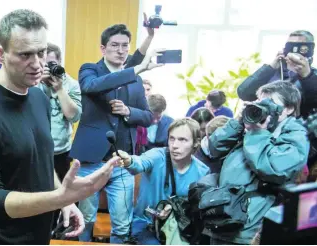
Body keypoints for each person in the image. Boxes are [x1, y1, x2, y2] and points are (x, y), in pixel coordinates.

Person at [0, 9, 120, 245]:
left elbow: (41, 160)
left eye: (41, 52)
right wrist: (58, 198)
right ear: (0, 53)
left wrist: (65, 201)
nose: (37, 64)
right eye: (25, 55)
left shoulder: (38, 97)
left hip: (40, 235)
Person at [69, 23, 164, 243]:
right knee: (85, 220)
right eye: (114, 45)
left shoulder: (135, 79)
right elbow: (92, 87)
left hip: (122, 161)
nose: (120, 50)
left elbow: (148, 116)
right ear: (103, 48)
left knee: (122, 225)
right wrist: (136, 68)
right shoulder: (89, 70)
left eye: (125, 46)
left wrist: (129, 111)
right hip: (90, 160)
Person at [207, 81, 310, 244]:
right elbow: (214, 147)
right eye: (261, 103)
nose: (264, 109)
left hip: (250, 229)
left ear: (289, 109)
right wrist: (238, 121)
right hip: (223, 219)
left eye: (271, 104)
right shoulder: (253, 125)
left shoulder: (295, 134)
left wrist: (256, 132)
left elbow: (274, 168)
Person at [116, 118, 210, 244]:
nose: (175, 145)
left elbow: (198, 210)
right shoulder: (157, 156)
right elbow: (139, 163)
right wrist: (129, 161)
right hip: (147, 224)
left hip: (179, 227)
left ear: (195, 143)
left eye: (182, 140)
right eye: (172, 138)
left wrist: (175, 211)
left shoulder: (202, 171)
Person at [237, 30, 317, 119]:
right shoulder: (271, 72)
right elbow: (244, 93)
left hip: (299, 129)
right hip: (267, 125)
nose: (294, 52)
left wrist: (307, 76)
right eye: (290, 46)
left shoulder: (313, 76)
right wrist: (270, 68)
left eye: (301, 48)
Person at [39, 43, 82, 182]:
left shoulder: (71, 84)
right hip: (36, 151)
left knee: (61, 195)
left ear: (59, 62)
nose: (48, 68)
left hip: (61, 152)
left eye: (51, 64)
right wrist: (37, 81)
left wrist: (60, 89)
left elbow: (73, 116)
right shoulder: (31, 83)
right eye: (43, 65)